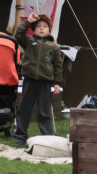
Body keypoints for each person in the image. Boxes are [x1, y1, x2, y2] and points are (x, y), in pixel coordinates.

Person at [12, 15, 62, 146]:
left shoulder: (54, 47)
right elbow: (18, 33)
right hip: (29, 81)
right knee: (24, 109)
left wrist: (58, 83)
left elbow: (58, 67)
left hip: (45, 82)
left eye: (44, 26)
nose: (41, 28)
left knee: (45, 111)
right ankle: (21, 137)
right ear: (33, 29)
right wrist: (28, 21)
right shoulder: (28, 42)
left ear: (49, 30)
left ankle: (48, 138)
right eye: (38, 26)